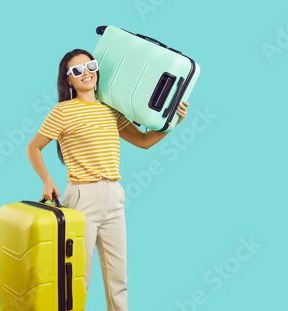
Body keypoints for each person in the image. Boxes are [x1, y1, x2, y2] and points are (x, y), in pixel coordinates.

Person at [26, 48, 188, 311]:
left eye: (90, 66)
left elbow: (144, 141)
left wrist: (174, 122)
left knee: (118, 278)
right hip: (81, 197)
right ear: (68, 80)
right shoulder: (63, 111)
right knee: (77, 277)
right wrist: (46, 179)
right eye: (76, 71)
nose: (86, 73)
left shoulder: (112, 109)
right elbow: (32, 148)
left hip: (114, 195)